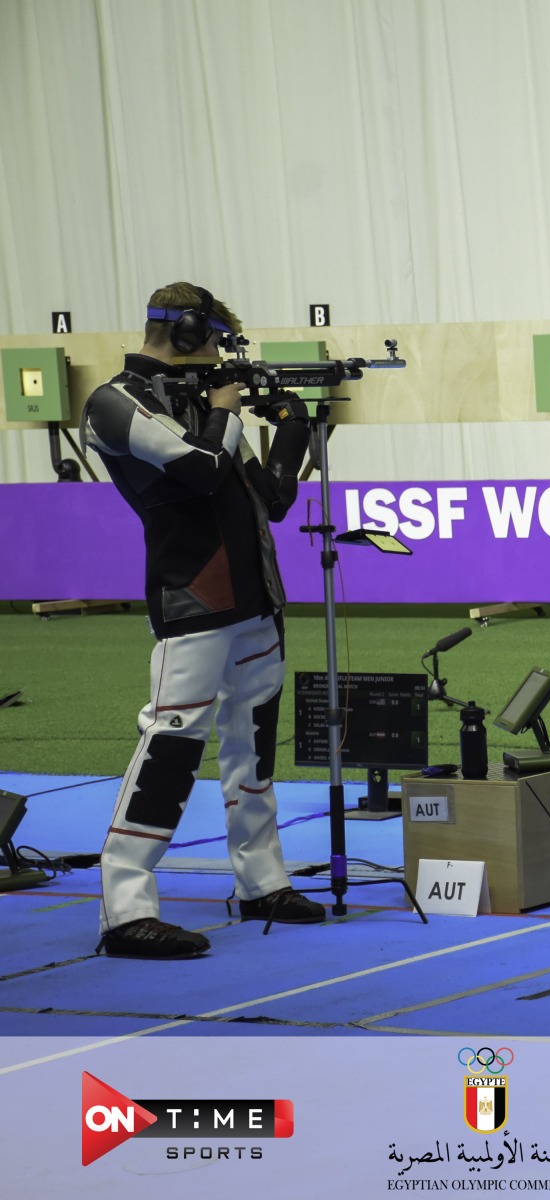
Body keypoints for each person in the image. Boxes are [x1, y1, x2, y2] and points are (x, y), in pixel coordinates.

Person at [82, 283, 323, 958]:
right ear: (186, 333)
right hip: (192, 599)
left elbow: (271, 499)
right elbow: (203, 470)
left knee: (254, 749)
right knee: (170, 748)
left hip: (255, 598)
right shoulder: (114, 402)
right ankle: (126, 911)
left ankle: (262, 882)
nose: (221, 357)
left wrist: (293, 428)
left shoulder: (200, 402)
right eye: (215, 341)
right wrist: (225, 410)